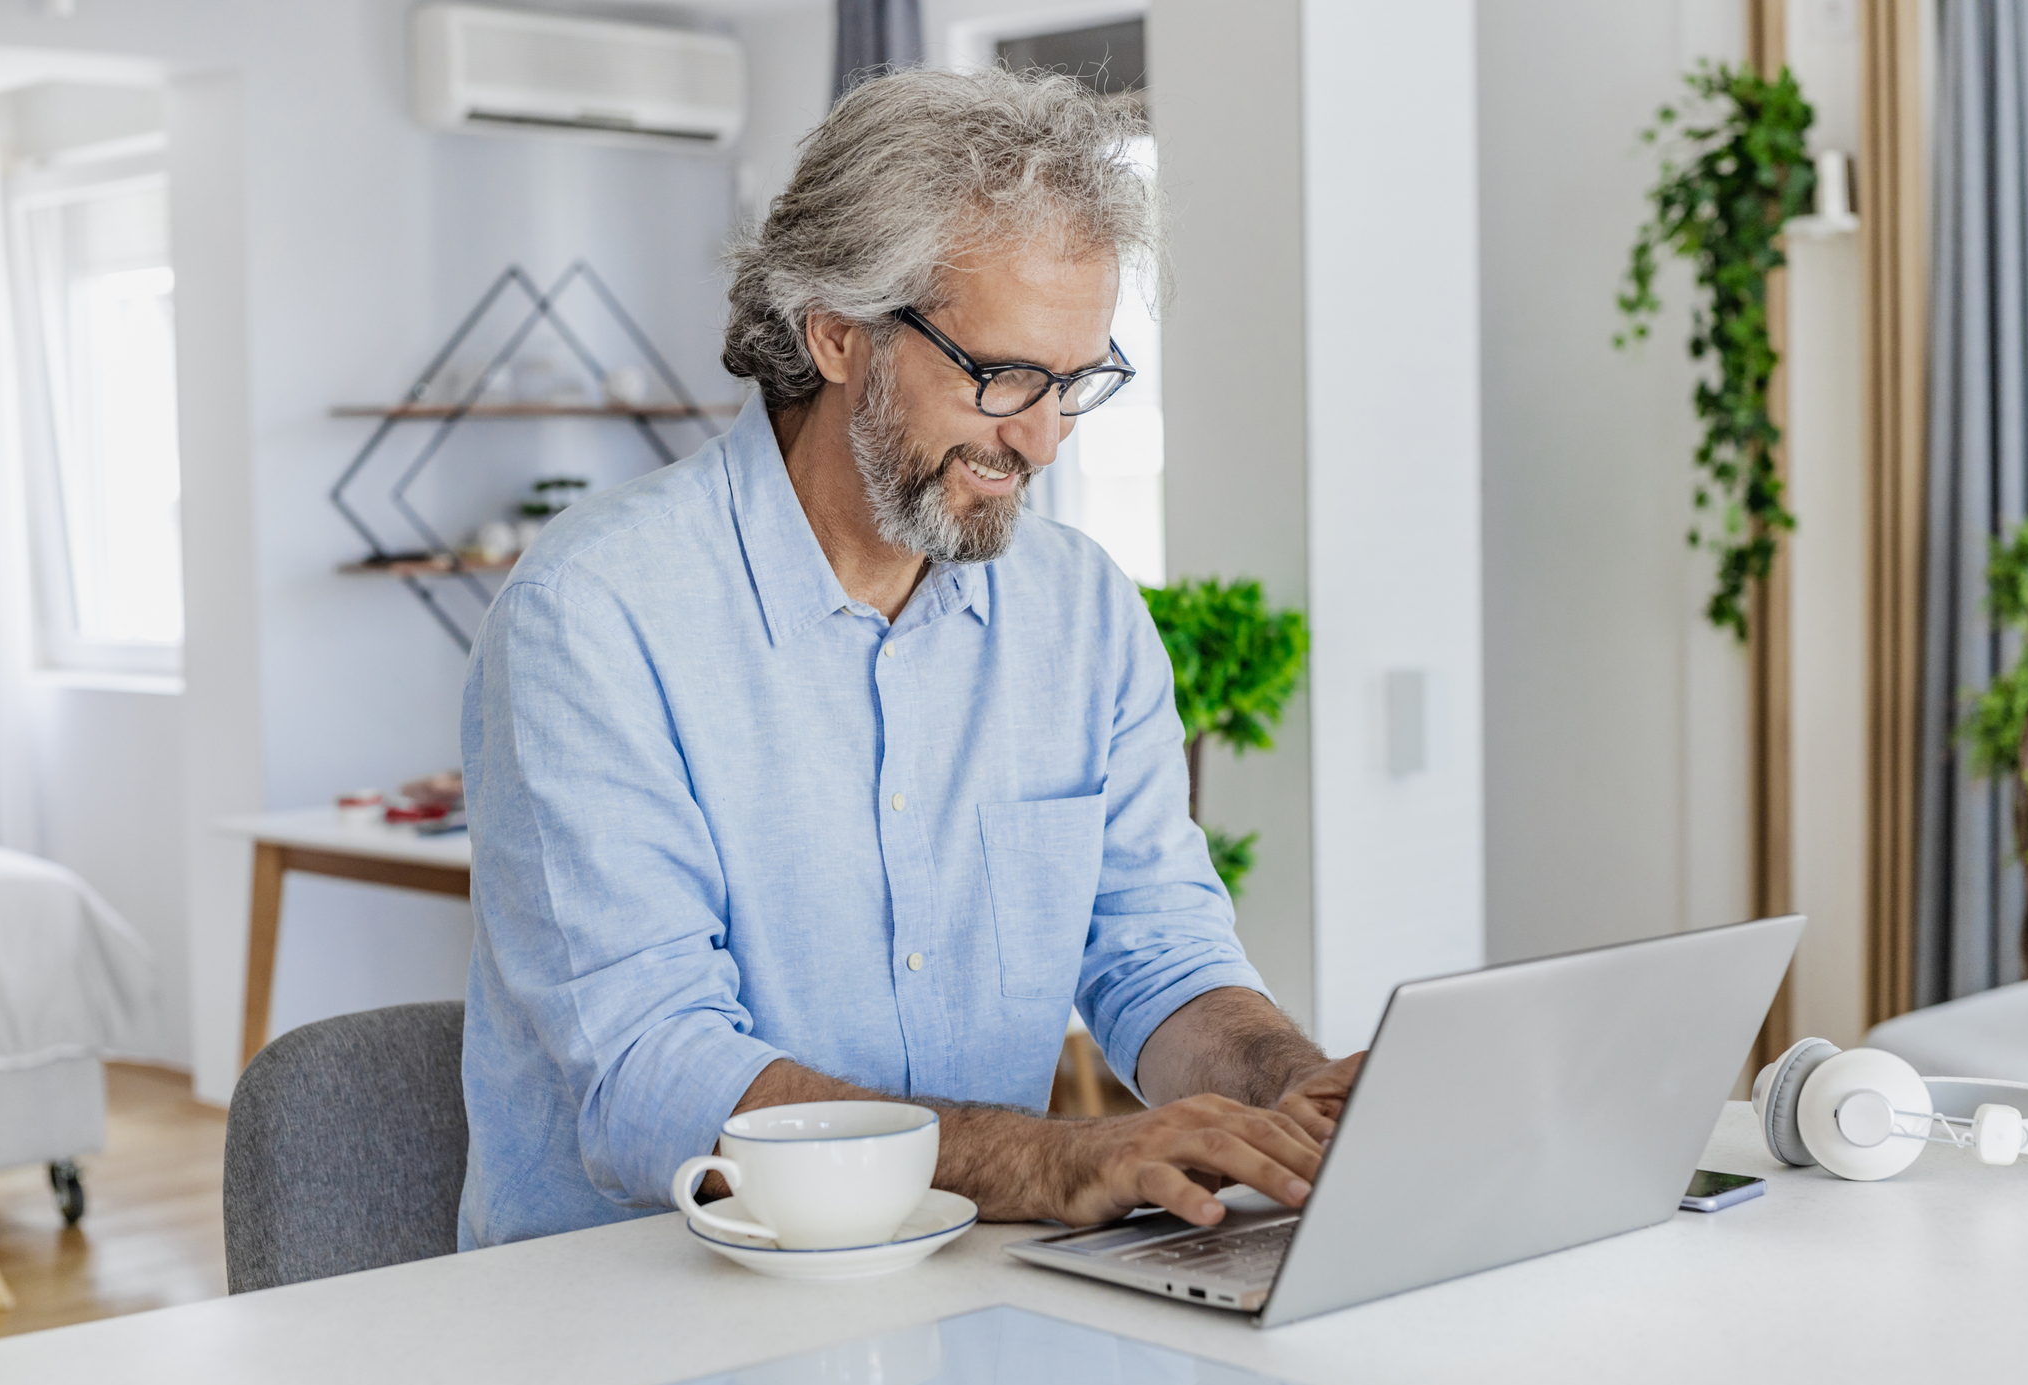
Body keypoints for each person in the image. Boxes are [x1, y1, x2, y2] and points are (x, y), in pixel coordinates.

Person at [458, 66, 1361, 1250]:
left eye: (1077, 382)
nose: (1040, 439)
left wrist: (1297, 1094)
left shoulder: (1081, 614)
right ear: (838, 333)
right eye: (1001, 378)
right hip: (641, 1307)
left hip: (967, 1292)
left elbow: (1155, 949)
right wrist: (1055, 1155)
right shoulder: (592, 616)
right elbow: (649, 1072)